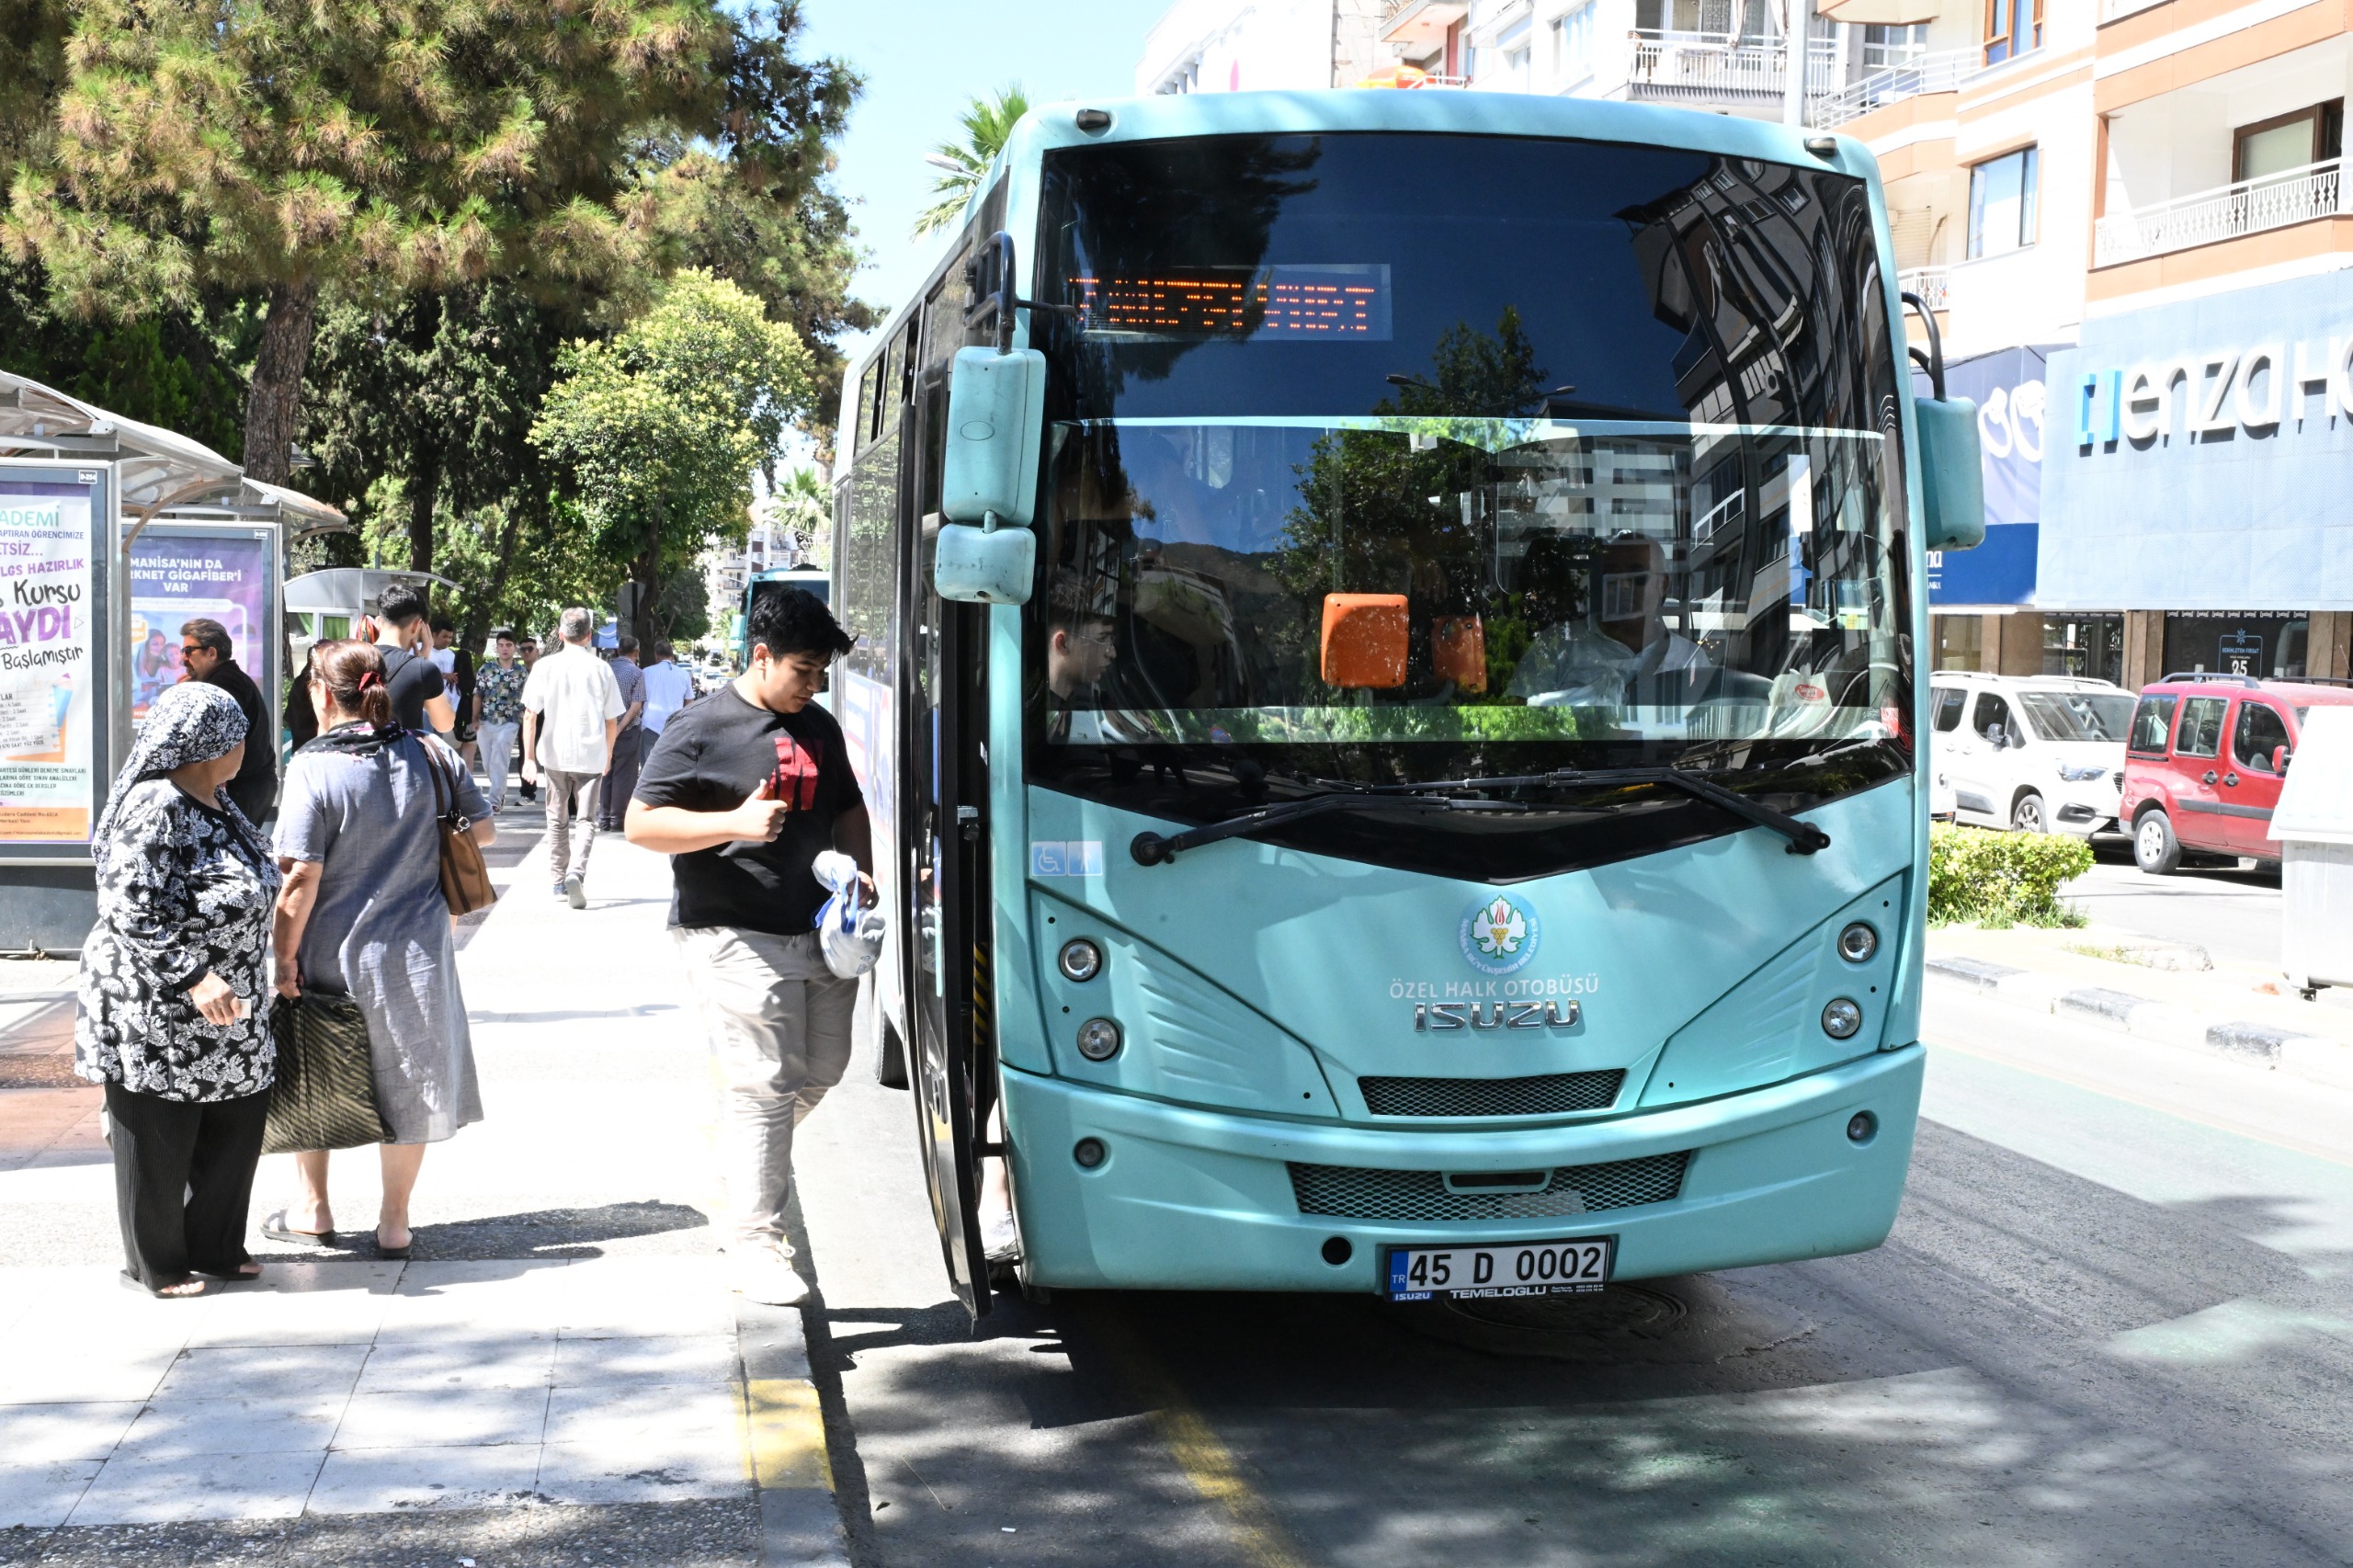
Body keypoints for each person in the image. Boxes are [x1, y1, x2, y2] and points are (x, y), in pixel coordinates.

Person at [626, 588, 870, 1306]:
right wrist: (731, 821)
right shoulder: (699, 727)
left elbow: (848, 807)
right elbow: (642, 824)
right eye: (803, 669)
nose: (813, 683)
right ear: (759, 656)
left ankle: (732, 1153)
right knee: (766, 1083)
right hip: (731, 928)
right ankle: (756, 1242)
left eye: (821, 672)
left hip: (821, 931)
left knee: (821, 1071)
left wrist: (862, 879)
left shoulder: (819, 726)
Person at [267, 641, 495, 1258]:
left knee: (311, 1071)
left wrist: (282, 959)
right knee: (410, 1080)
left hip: (327, 953)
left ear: (321, 691)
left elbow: (299, 877)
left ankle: (313, 1208)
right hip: (416, 952)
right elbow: (485, 830)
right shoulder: (430, 751)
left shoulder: (313, 766)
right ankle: (394, 1221)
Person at [74, 682, 280, 1298]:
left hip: (232, 1004)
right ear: (211, 744)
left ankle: (216, 1247)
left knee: (236, 1122)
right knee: (158, 1135)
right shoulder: (155, 805)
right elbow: (130, 907)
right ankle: (157, 1263)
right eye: (240, 734)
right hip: (159, 1004)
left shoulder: (217, 798)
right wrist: (195, 975)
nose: (248, 745)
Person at [521, 607, 624, 908]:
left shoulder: (544, 667)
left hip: (553, 754)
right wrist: (608, 753)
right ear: (589, 636)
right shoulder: (601, 669)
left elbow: (530, 715)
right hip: (591, 753)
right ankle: (577, 872)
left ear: (560, 633)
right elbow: (611, 721)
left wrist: (528, 758)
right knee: (587, 820)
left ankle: (557, 881)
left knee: (556, 818)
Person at [178, 618, 278, 823]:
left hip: (241, 787)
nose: (183, 659)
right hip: (247, 785)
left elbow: (213, 739)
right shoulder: (223, 680)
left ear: (211, 653)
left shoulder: (224, 683)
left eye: (188, 651)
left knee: (227, 852)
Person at [372, 584, 455, 734]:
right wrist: (423, 662)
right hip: (402, 756)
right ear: (417, 625)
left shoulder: (348, 660)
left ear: (378, 622)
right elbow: (445, 723)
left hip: (354, 756)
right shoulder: (421, 669)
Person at [595, 634, 648, 833]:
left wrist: (608, 727)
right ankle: (618, 820)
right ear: (636, 652)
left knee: (605, 773)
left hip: (601, 730)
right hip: (627, 731)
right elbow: (636, 706)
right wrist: (619, 727)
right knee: (625, 776)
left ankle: (604, 818)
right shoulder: (637, 673)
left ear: (618, 650)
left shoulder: (603, 670)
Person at [473, 629, 528, 812]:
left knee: (500, 757)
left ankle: (495, 801)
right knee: (489, 763)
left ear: (515, 648)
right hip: (486, 721)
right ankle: (500, 788)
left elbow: (528, 697)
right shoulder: (486, 669)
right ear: (496, 648)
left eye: (509, 645)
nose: (505, 649)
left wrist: (524, 715)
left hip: (510, 720)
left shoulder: (521, 672)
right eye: (501, 645)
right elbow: (478, 695)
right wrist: (474, 718)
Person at [640, 642, 697, 739]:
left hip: (650, 726)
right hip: (674, 727)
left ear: (656, 655)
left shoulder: (646, 672)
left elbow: (639, 700)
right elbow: (690, 703)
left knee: (649, 754)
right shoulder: (684, 674)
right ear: (672, 656)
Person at [515, 636, 541, 802]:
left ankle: (567, 800)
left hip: (546, 717)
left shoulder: (545, 669)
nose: (526, 652)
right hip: (525, 718)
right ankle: (527, 793)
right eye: (523, 649)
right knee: (525, 755)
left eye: (530, 649)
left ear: (537, 651)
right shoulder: (517, 672)